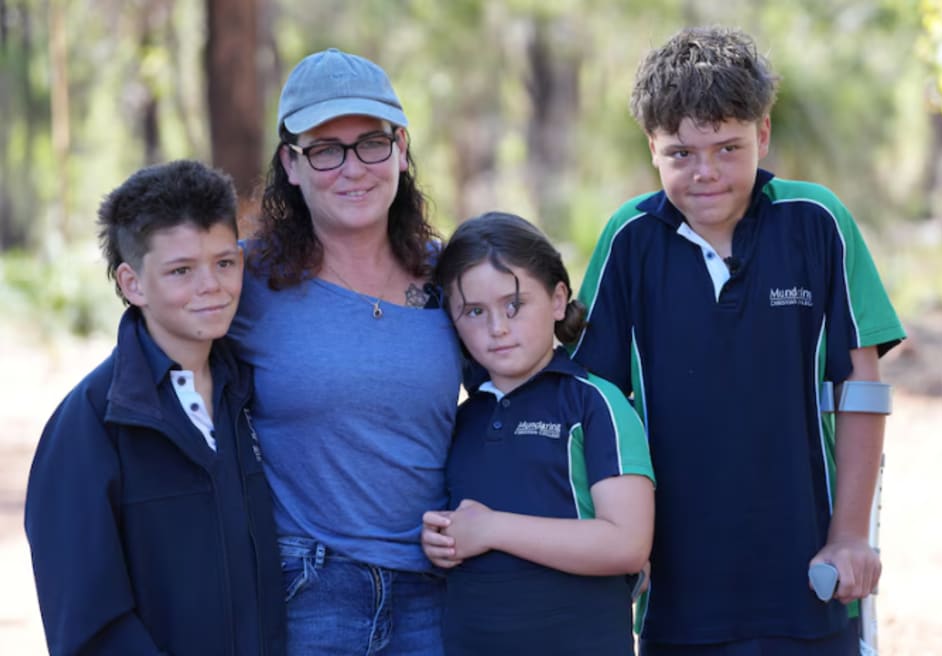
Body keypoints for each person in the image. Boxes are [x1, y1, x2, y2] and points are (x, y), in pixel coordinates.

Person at [569, 26, 907, 655]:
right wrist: (613, 540)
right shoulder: (628, 239)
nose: (707, 173)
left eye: (728, 148)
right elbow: (593, 406)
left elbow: (861, 387)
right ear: (652, 147)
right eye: (681, 153)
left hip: (809, 577)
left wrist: (850, 536)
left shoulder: (817, 222)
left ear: (764, 134)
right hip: (676, 591)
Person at [226, 48, 462, 654]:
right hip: (309, 591)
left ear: (401, 150)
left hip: (437, 592)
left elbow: (522, 393)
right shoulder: (246, 280)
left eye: (371, 144)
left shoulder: (451, 276)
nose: (353, 169)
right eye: (326, 150)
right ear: (292, 163)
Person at [24, 160, 285, 655]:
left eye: (224, 262)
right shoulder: (89, 424)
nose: (211, 286)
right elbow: (87, 626)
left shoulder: (249, 394)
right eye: (181, 270)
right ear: (133, 283)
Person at [420, 211, 656, 656]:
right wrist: (442, 541)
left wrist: (491, 529)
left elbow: (627, 544)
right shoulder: (459, 420)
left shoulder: (595, 403)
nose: (497, 328)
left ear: (558, 299)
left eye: (514, 305)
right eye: (474, 311)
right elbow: (462, 533)